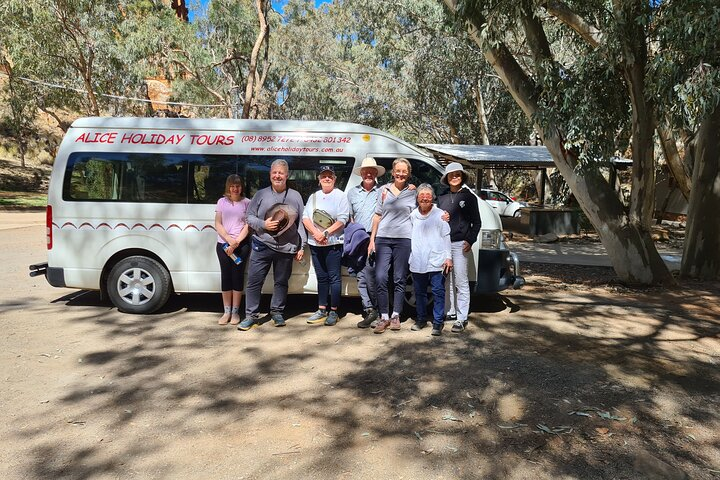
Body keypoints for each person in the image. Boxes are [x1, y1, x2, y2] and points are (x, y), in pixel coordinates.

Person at [238, 159, 306, 330]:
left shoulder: (295, 196)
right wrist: (263, 224)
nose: (277, 176)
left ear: (287, 175)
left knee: (281, 282)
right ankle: (251, 316)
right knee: (254, 282)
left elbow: (302, 223)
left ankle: (277, 312)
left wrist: (301, 246)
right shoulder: (260, 194)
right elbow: (249, 217)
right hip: (262, 244)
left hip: (287, 247)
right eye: (274, 172)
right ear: (270, 175)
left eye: (281, 173)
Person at [369, 157, 417, 334]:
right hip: (383, 238)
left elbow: (425, 209)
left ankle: (395, 315)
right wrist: (371, 239)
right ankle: (383, 316)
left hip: (404, 239)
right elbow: (377, 215)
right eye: (398, 170)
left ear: (409, 174)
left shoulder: (414, 192)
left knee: (399, 278)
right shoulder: (383, 190)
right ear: (393, 172)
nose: (401, 174)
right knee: (380, 276)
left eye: (405, 171)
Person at [302, 165, 350, 326]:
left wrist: (325, 234)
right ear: (319, 179)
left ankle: (334, 311)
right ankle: (322, 309)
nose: (327, 178)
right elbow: (305, 218)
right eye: (324, 176)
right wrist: (316, 234)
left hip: (333, 244)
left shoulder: (341, 196)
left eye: (330, 176)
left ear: (335, 179)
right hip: (315, 244)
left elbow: (342, 219)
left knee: (334, 278)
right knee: (322, 278)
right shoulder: (313, 196)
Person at [437, 162, 481, 333]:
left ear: (462, 177)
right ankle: (450, 312)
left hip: (460, 243)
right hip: (443, 243)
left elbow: (476, 222)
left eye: (457, 175)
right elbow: (434, 219)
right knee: (446, 280)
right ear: (446, 178)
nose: (454, 177)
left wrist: (470, 240)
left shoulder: (469, 197)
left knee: (461, 281)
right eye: (451, 175)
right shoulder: (441, 197)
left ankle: (462, 318)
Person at [409, 184, 453, 336]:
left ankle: (438, 322)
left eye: (428, 195)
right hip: (418, 260)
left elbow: (446, 237)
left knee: (438, 291)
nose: (425, 198)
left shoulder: (440, 215)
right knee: (419, 292)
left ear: (432, 197)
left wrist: (448, 257)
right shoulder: (413, 215)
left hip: (437, 259)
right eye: (421, 195)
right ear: (417, 198)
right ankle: (421, 319)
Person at [347, 157, 385, 329]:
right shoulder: (352, 193)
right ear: (361, 174)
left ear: (376, 174)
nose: (368, 174)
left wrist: (413, 187)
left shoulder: (383, 191)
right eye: (365, 171)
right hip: (358, 238)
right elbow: (350, 217)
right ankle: (369, 309)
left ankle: (376, 310)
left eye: (372, 171)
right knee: (361, 276)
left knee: (370, 275)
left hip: (375, 237)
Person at [214, 174, 251, 326]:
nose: (235, 189)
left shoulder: (247, 202)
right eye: (232, 186)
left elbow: (248, 226)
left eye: (238, 186)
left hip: (241, 245)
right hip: (223, 244)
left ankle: (235, 312)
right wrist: (229, 240)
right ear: (228, 187)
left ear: (241, 187)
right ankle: (226, 311)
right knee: (226, 277)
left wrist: (236, 243)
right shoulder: (221, 202)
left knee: (238, 277)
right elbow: (217, 223)